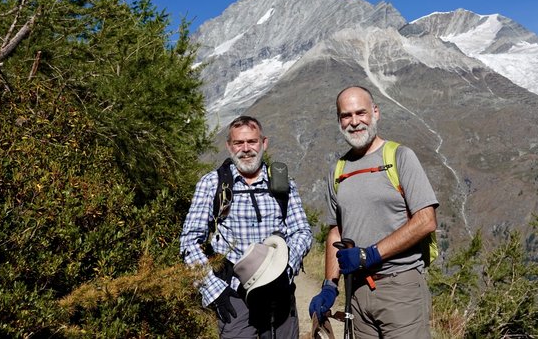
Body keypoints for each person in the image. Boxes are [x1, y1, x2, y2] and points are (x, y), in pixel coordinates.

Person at [309, 86, 439, 339]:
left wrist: (370, 254)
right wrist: (329, 286)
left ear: (375, 113)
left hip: (400, 287)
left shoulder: (400, 157)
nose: (354, 122)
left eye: (361, 113)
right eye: (346, 115)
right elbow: (337, 231)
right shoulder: (338, 169)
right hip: (356, 293)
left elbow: (426, 221)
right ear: (339, 121)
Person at [181, 115, 313, 339]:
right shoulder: (212, 183)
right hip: (233, 295)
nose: (246, 149)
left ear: (264, 143)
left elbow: (302, 231)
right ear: (228, 146)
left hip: (279, 294)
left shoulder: (283, 183)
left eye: (252, 142)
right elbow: (189, 240)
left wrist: (286, 269)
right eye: (238, 143)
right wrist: (213, 291)